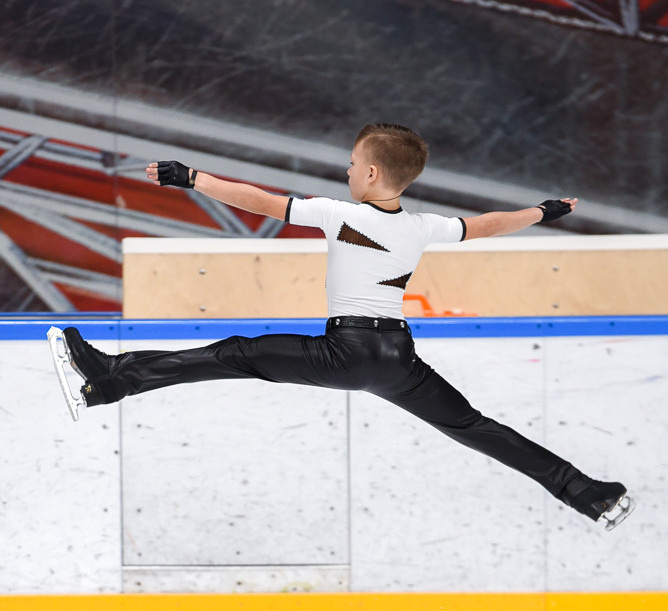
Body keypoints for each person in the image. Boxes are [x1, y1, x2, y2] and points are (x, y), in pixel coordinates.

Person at [55, 122, 634, 529]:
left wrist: (192, 177)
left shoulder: (341, 215)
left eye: (353, 163)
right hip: (399, 362)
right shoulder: (425, 226)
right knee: (474, 426)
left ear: (372, 172)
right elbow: (487, 225)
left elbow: (260, 201)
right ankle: (585, 493)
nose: (348, 169)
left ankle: (111, 377)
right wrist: (543, 212)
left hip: (346, 351)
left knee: (235, 352)